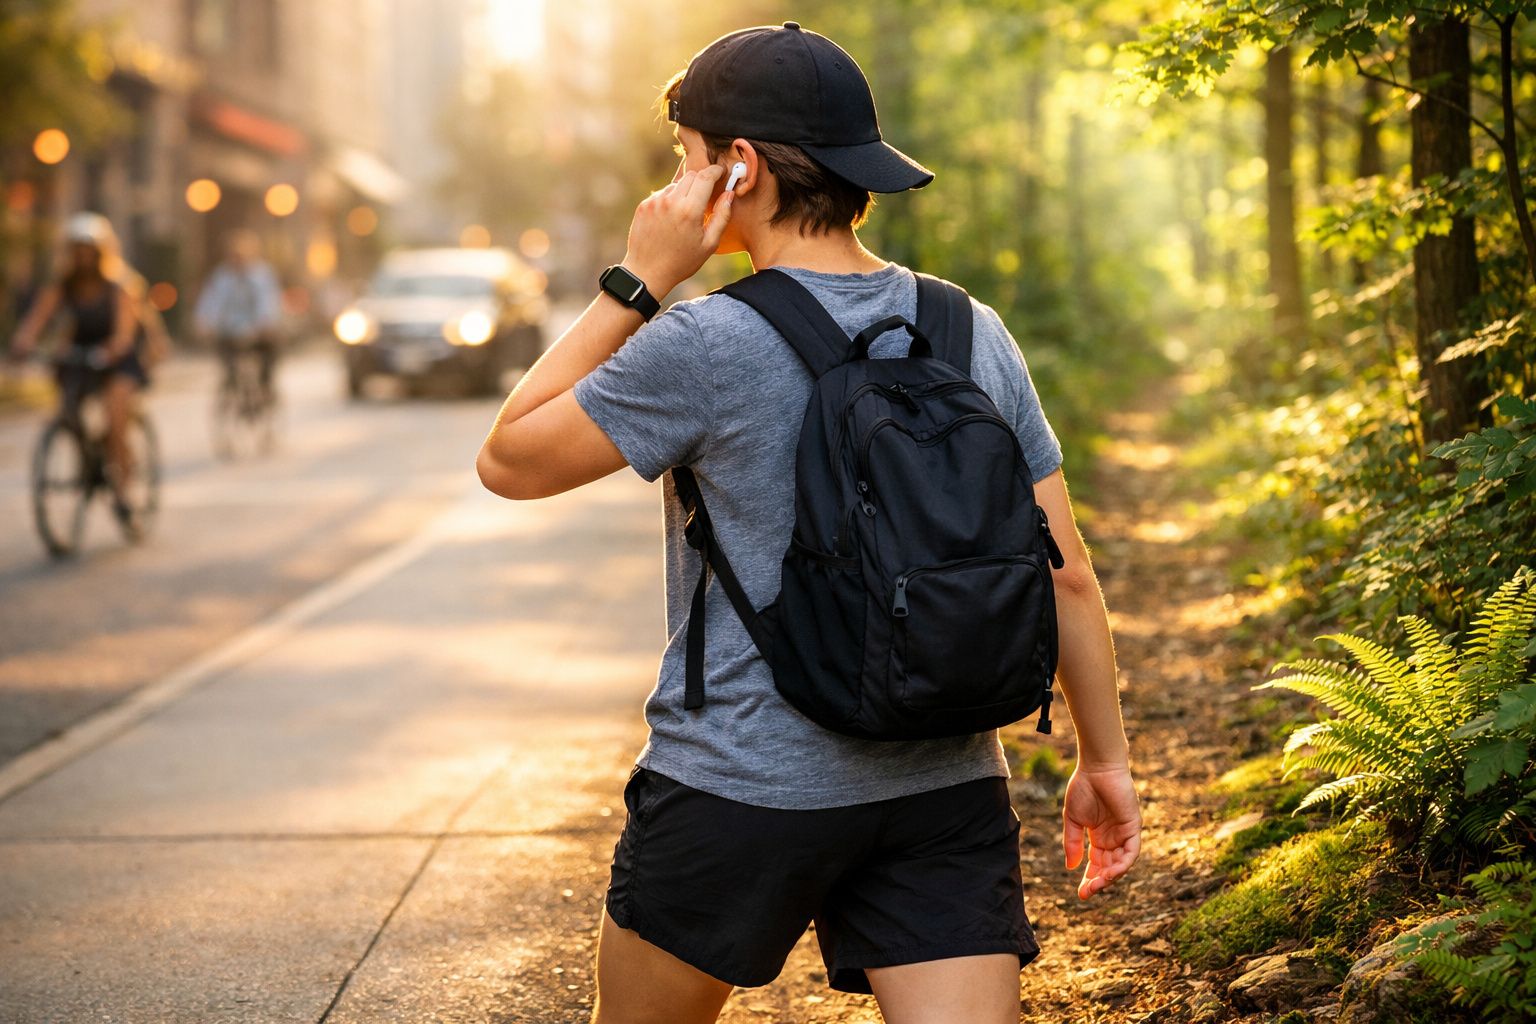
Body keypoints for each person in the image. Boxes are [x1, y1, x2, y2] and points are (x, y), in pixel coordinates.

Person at [477, 23, 1140, 1024]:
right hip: (944, 784)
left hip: (737, 786)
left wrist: (641, 278)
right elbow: (1067, 574)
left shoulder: (708, 339)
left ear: (737, 169)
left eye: (682, 160)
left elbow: (509, 459)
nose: (668, 189)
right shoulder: (968, 327)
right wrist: (1106, 761)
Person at [10, 212, 147, 518]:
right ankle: (86, 458)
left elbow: (124, 334)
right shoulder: (62, 286)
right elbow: (36, 320)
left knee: (115, 414)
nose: (83, 257)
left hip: (116, 358)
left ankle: (123, 489)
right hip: (79, 355)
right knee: (68, 408)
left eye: (89, 250)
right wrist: (23, 341)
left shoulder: (119, 286)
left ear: (102, 252)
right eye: (77, 250)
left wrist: (111, 350)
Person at [194, 230, 283, 401]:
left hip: (258, 331)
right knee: (226, 358)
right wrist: (204, 322)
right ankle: (231, 383)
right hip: (230, 330)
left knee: (271, 351)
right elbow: (212, 301)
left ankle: (266, 386)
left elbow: (268, 301)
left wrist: (265, 324)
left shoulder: (262, 274)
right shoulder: (222, 276)